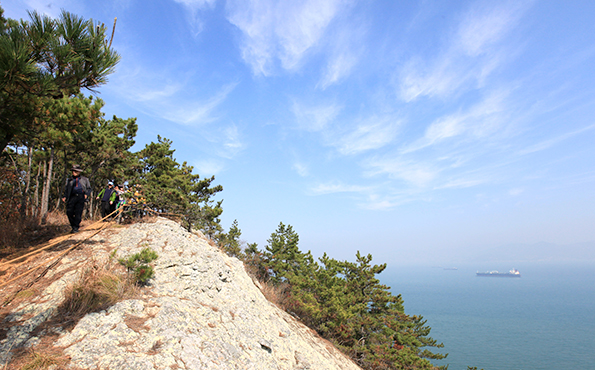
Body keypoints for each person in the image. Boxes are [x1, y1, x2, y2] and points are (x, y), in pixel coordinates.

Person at [62, 164, 91, 233]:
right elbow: (66, 189)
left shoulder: (84, 179)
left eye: (75, 171)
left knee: (78, 212)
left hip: (80, 197)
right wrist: (64, 196)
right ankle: (73, 225)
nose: (74, 172)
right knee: (69, 212)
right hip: (72, 197)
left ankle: (75, 227)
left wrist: (86, 194)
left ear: (79, 172)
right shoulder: (69, 180)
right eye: (73, 171)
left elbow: (89, 188)